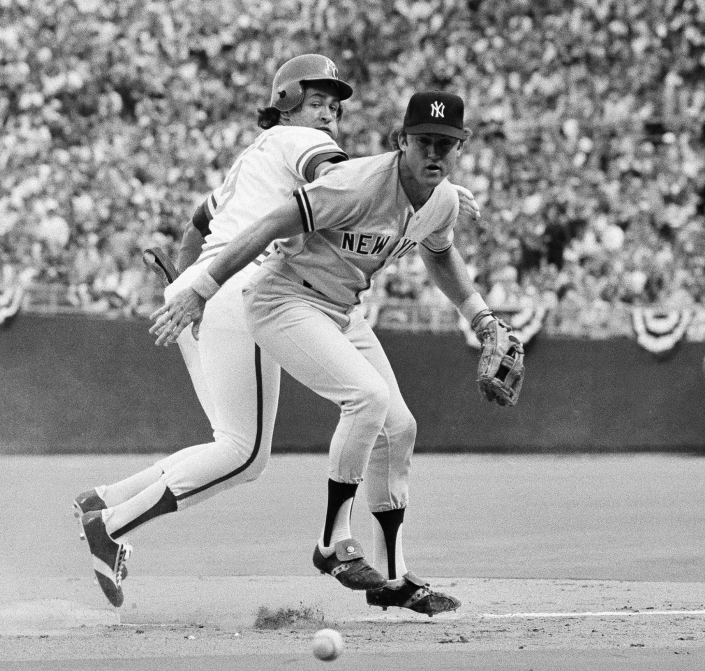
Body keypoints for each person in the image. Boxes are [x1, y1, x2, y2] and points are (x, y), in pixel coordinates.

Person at [151, 91, 510, 617]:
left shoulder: (444, 200)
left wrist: (481, 317)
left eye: (447, 145)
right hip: (282, 297)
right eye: (425, 142)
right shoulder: (357, 182)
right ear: (402, 142)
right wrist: (201, 286)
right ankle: (332, 543)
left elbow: (441, 254)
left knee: (399, 426)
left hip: (339, 308)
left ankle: (392, 577)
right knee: (365, 397)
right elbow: (271, 223)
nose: (435, 153)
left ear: (460, 151)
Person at [74, 54, 355, 608]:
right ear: (287, 103)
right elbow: (342, 182)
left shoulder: (254, 158)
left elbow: (198, 223)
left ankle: (101, 500)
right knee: (244, 453)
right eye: (318, 102)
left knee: (231, 441)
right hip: (245, 287)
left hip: (216, 288)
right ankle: (111, 526)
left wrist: (188, 286)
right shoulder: (297, 143)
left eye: (335, 107)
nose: (330, 115)